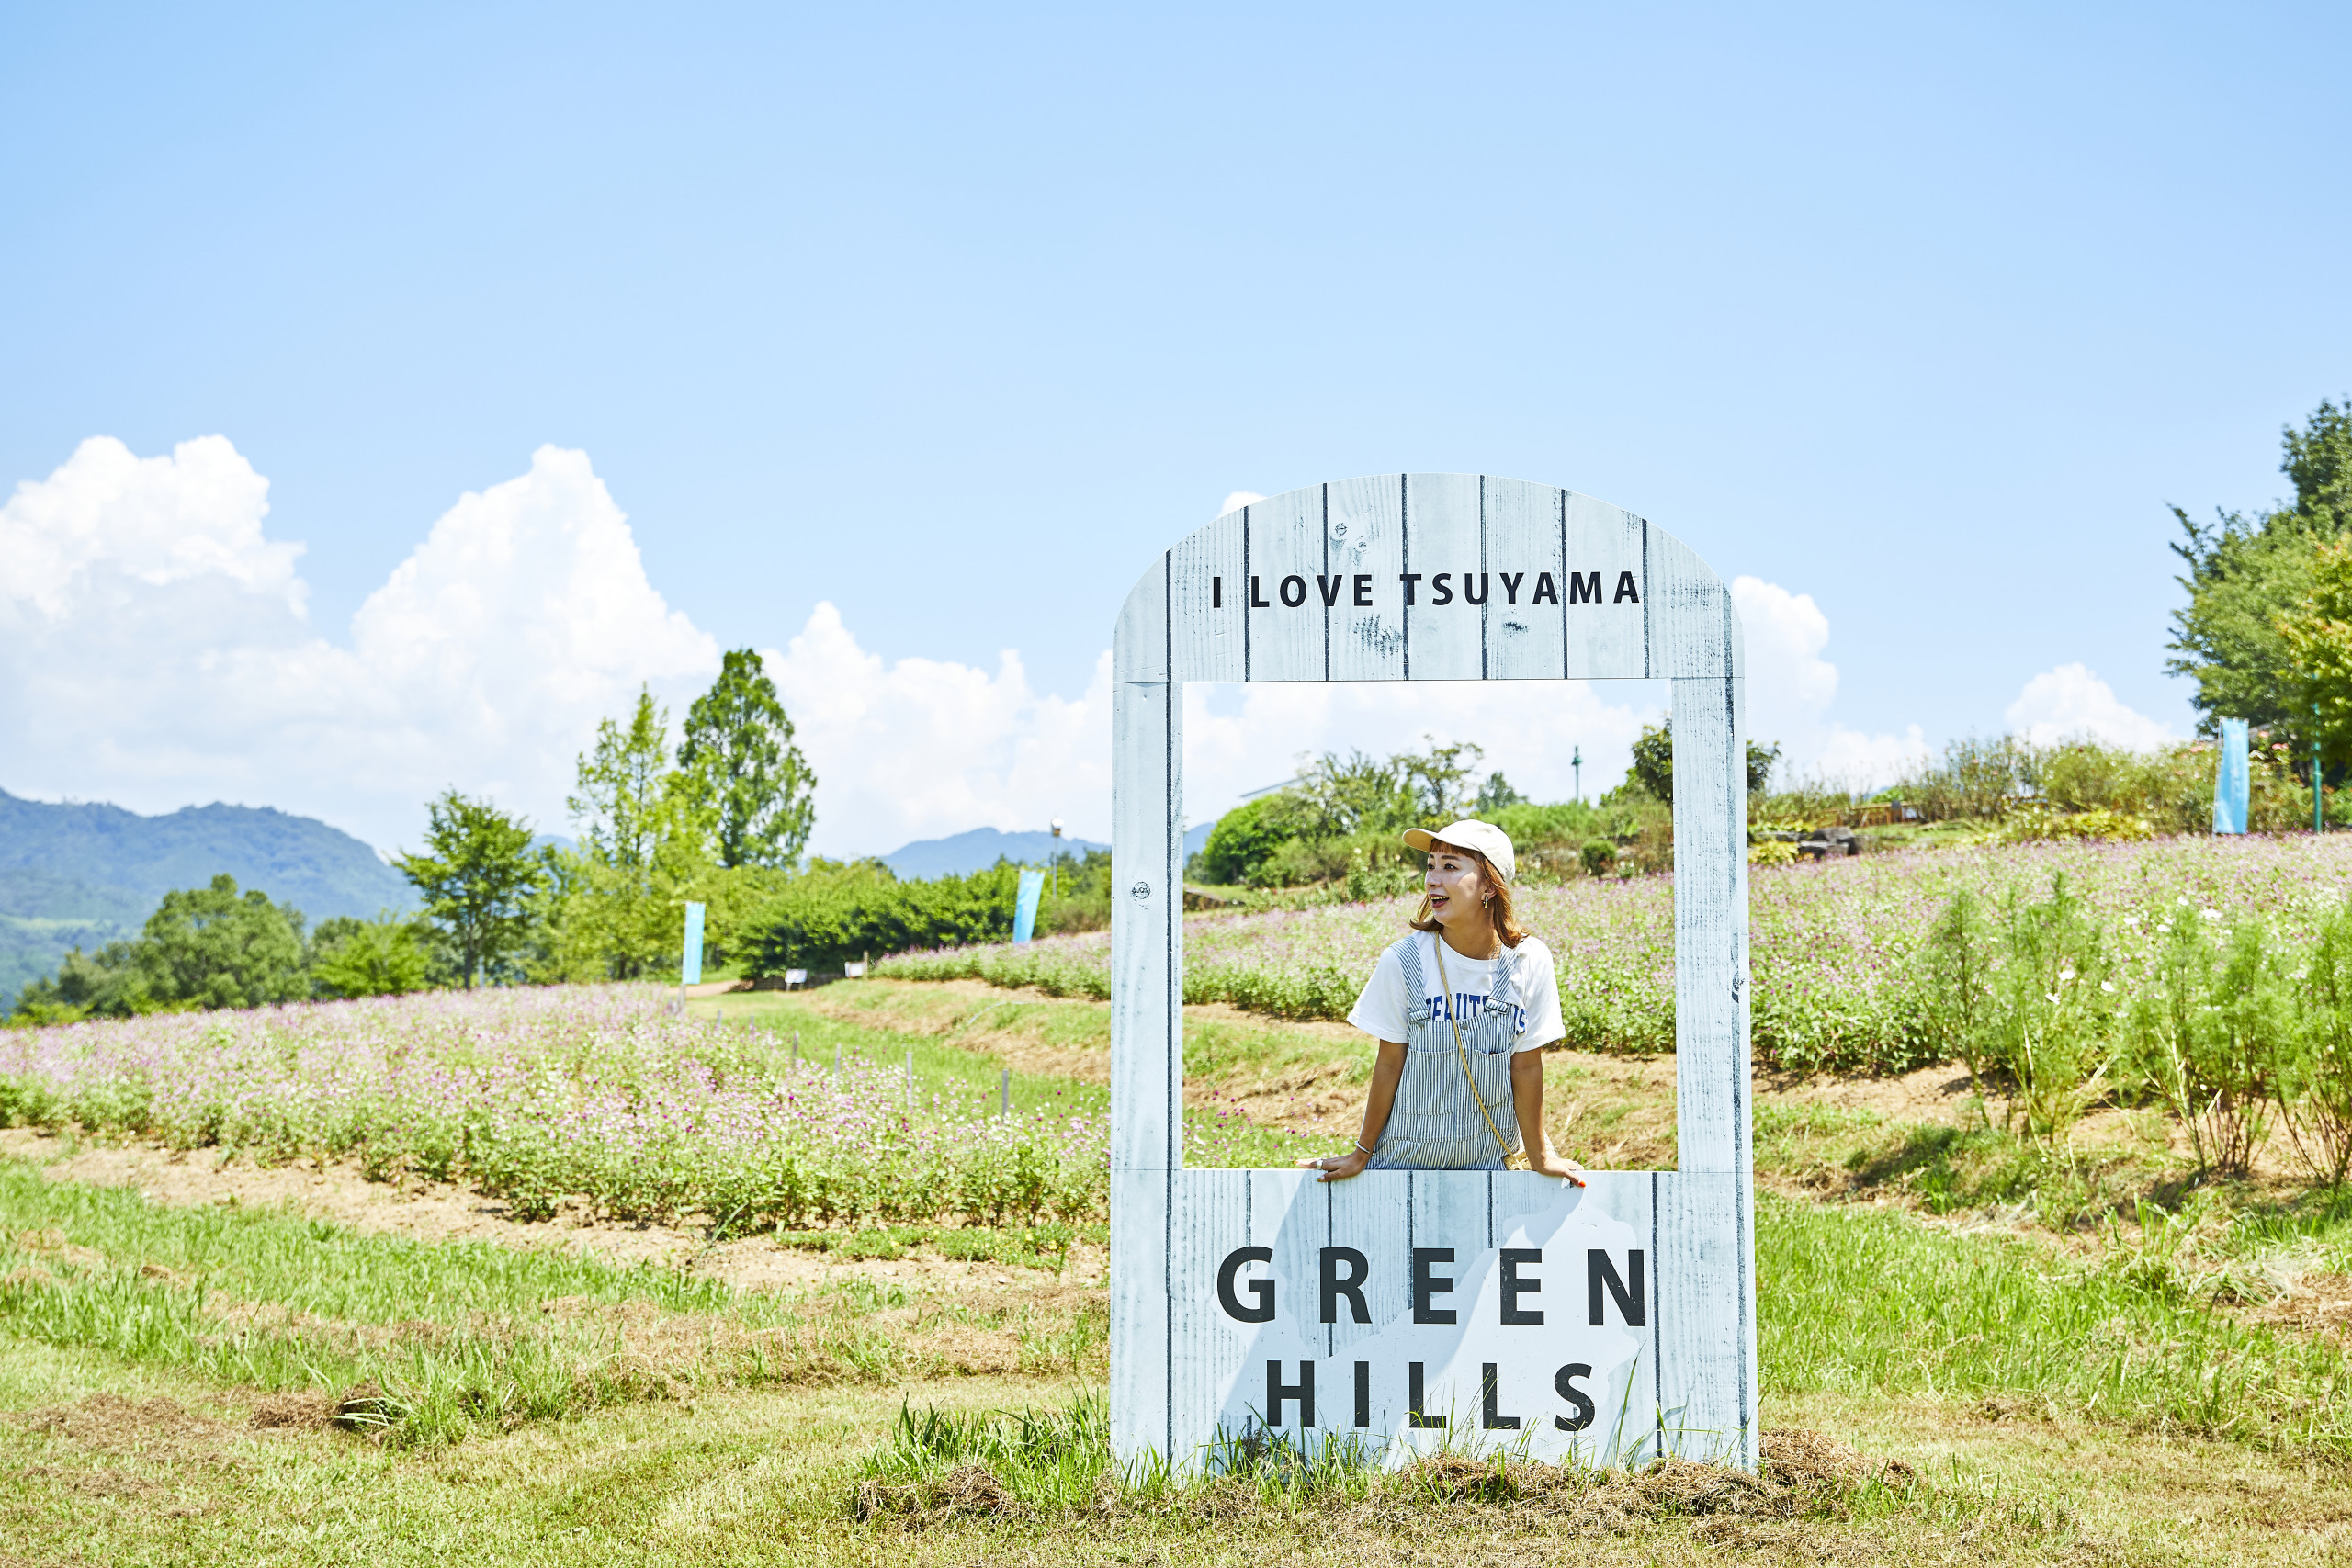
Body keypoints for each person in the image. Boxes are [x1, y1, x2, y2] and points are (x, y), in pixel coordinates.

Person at [1302, 818, 1587, 1185]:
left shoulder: (1527, 960)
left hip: (1494, 1168)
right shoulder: (1404, 960)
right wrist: (1362, 1153)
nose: (1432, 879)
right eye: (1430, 866)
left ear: (1489, 883)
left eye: (1450, 866)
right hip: (1404, 1165)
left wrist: (1541, 1157)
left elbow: (1527, 1066)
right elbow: (1389, 1064)